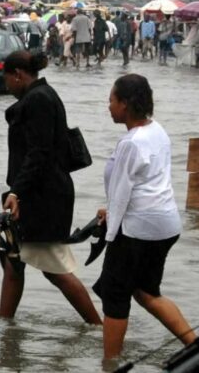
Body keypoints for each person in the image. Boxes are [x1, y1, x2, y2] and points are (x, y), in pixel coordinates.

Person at [94, 74, 197, 360]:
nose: (108, 106)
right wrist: (111, 209)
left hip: (137, 230)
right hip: (164, 223)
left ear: (125, 105)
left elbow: (124, 189)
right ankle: (194, 346)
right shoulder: (157, 130)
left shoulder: (131, 142)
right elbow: (146, 182)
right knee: (145, 291)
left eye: (111, 100)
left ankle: (109, 365)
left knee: (115, 296)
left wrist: (110, 232)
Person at [0, 50, 102, 325]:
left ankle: (98, 328)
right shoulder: (41, 95)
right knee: (13, 261)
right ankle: (5, 330)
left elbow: (39, 153)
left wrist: (16, 192)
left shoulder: (38, 100)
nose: (6, 85)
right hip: (36, 192)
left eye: (7, 79)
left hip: (41, 197)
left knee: (54, 269)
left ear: (18, 75)